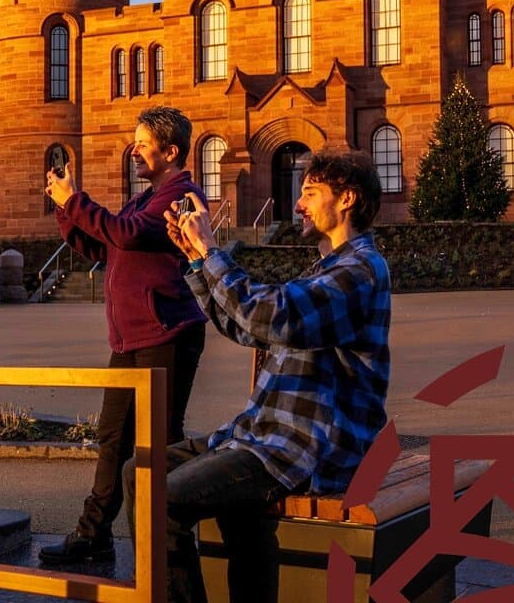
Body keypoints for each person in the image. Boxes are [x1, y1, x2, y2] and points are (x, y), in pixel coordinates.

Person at [123, 150, 390, 603]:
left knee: (161, 497)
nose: (298, 204)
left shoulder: (358, 271)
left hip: (305, 446)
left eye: (310, 193)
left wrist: (212, 251)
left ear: (347, 198)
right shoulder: (329, 268)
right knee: (139, 472)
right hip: (263, 434)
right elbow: (246, 327)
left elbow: (270, 314)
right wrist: (195, 260)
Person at [39, 106, 208, 565]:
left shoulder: (183, 197)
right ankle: (94, 535)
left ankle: (167, 542)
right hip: (131, 340)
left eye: (143, 143)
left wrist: (77, 200)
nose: (134, 150)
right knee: (113, 437)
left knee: (161, 442)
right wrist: (65, 208)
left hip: (167, 334)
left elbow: (128, 235)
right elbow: (102, 245)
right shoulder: (144, 199)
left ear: (170, 151)